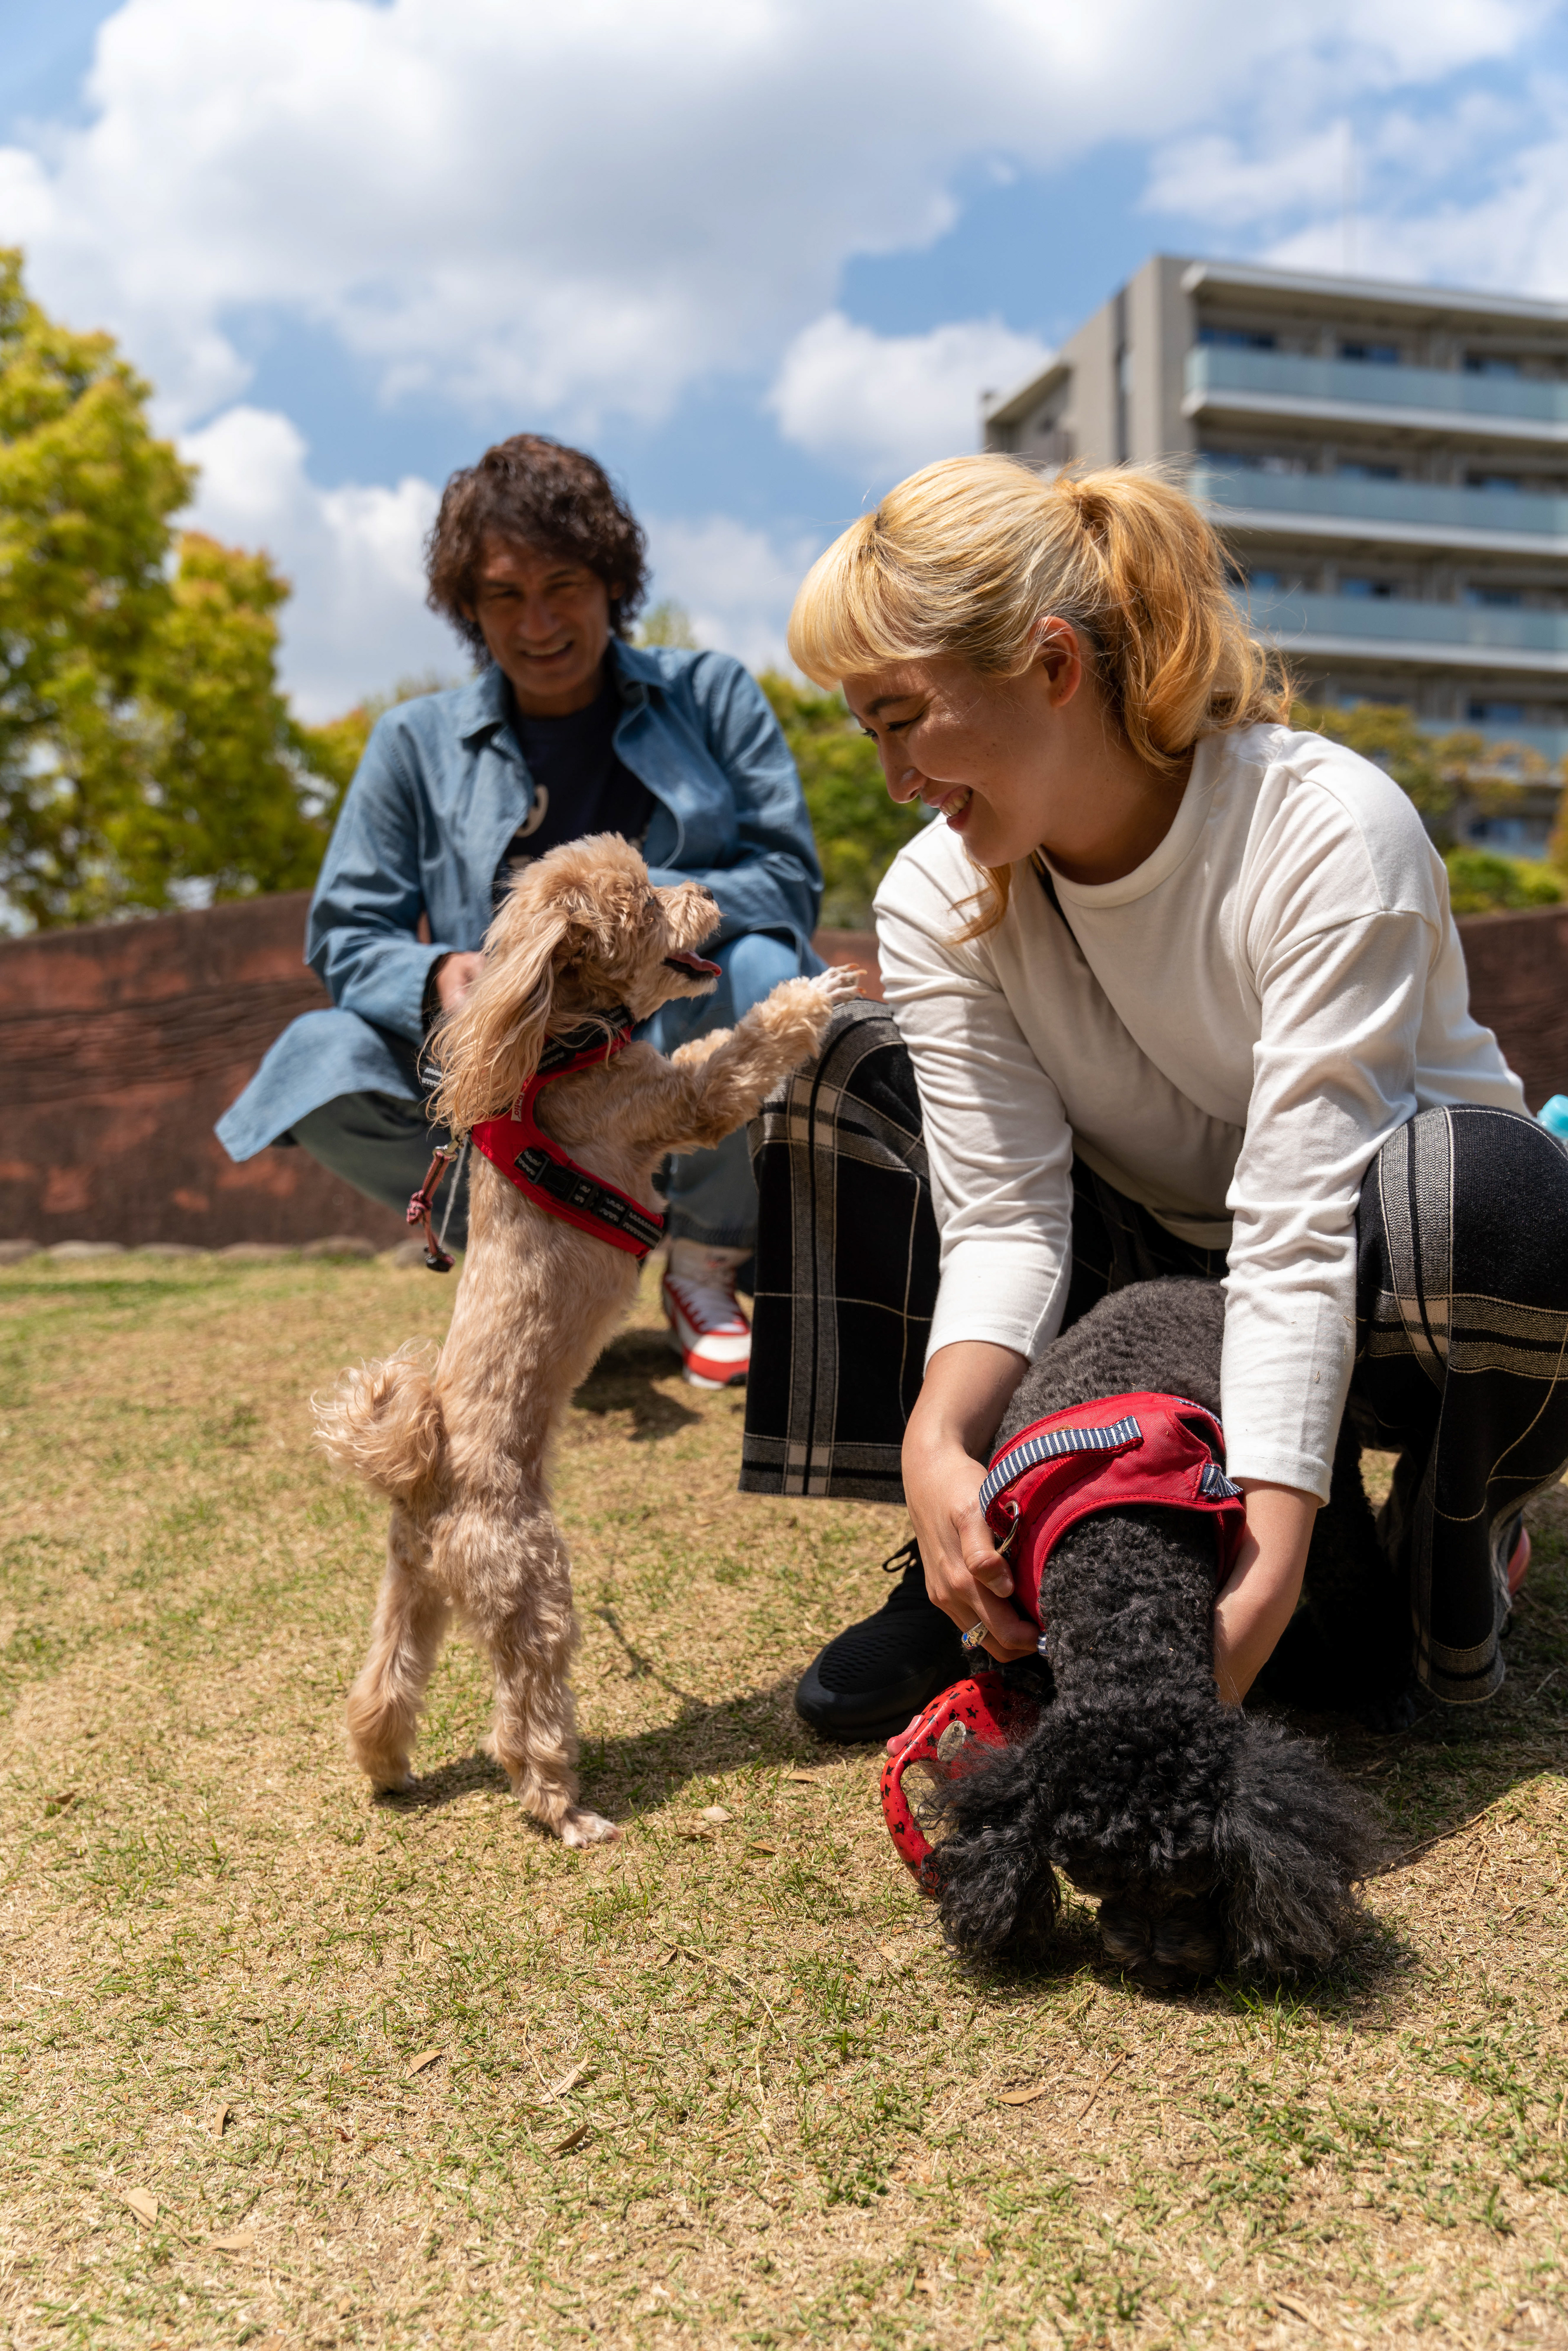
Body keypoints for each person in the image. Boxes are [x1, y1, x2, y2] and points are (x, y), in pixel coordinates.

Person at [737, 455, 1568, 1743]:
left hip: (1399, 1277)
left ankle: (1451, 1546)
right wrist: (937, 1445)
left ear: (1052, 663)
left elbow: (1297, 1228)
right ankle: (990, 1555)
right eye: (869, 732)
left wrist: (1263, 1592)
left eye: (904, 717)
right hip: (1156, 1264)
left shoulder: (1326, 830)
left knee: (1493, 1191)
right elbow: (1007, 1214)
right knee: (844, 1068)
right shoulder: (937, 893)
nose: (895, 773)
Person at [217, 435, 823, 1386]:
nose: (537, 623)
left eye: (563, 585)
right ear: (468, 604)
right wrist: (440, 974)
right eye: (504, 595)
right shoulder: (410, 743)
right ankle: (544, 1245)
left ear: (613, 581)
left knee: (764, 970)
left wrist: (631, 924)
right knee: (319, 1059)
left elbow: (786, 878)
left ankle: (705, 1262)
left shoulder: (711, 695)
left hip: (676, 1027)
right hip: (511, 1070)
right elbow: (346, 934)